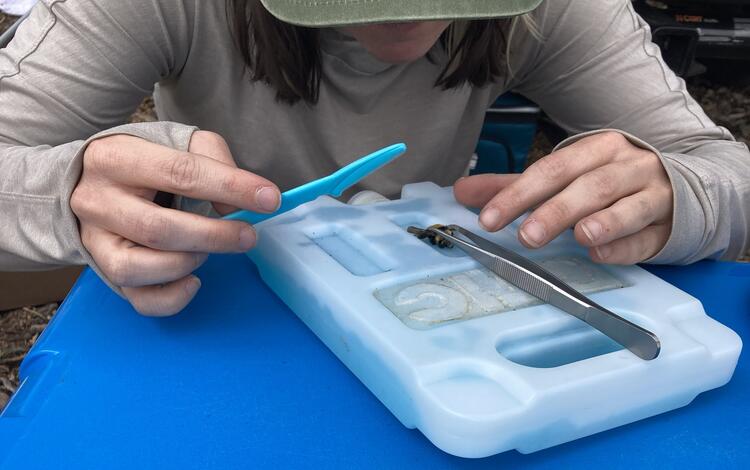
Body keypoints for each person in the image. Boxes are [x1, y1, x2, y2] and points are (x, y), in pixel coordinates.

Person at [0, 0, 748, 316]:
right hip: (220, 311)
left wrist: (674, 192)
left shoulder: (554, 10)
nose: (407, 14)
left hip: (424, 305)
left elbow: (726, 173)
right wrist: (66, 189)